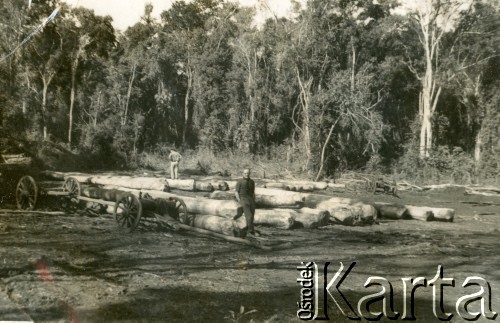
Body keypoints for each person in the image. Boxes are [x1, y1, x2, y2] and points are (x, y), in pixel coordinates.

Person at [235, 168, 259, 236]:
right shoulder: (240, 181)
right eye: (245, 173)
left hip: (251, 200)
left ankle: (250, 229)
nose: (246, 174)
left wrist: (254, 201)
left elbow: (253, 192)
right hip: (243, 199)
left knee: (252, 216)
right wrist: (239, 201)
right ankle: (250, 231)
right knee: (249, 216)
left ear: (249, 173)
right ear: (243, 174)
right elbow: (236, 192)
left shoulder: (252, 182)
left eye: (248, 173)